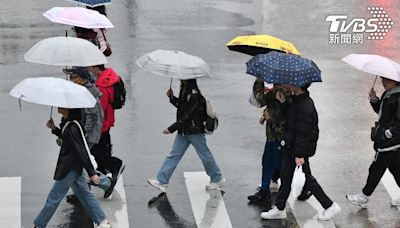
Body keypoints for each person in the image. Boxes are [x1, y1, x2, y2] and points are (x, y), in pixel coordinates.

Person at [260, 83, 341, 221]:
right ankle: (280, 208)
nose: (288, 85)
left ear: (298, 86)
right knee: (285, 177)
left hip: (297, 149)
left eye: (291, 83)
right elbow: (292, 118)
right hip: (291, 147)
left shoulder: (305, 105)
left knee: (307, 179)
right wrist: (284, 102)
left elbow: (304, 132)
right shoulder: (298, 100)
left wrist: (300, 154)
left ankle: (330, 205)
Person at [32, 108, 111, 228]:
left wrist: (91, 172)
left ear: (68, 109)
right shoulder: (70, 124)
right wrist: (54, 129)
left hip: (69, 168)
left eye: (61, 105)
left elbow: (81, 151)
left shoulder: (72, 127)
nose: (58, 106)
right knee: (85, 195)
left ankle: (39, 224)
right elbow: (67, 138)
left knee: (54, 196)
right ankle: (102, 221)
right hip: (73, 166)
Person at [147, 79, 224, 192]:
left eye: (182, 77)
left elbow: (187, 114)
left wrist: (172, 128)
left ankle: (217, 177)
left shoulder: (195, 95)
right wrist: (172, 98)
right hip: (184, 130)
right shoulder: (185, 90)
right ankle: (162, 181)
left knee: (204, 155)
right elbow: (181, 107)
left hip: (194, 131)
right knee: (173, 155)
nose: (180, 79)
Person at [346, 77, 400, 208]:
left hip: (389, 143)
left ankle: (365, 196)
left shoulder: (398, 98)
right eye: (383, 78)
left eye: (387, 79)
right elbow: (382, 112)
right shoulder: (389, 93)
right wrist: (375, 100)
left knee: (376, 168)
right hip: (391, 142)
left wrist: (388, 133)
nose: (384, 81)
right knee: (396, 169)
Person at [64, 67, 115, 197]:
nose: (71, 80)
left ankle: (106, 183)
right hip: (85, 133)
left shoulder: (87, 92)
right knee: (79, 164)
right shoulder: (82, 90)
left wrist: (83, 132)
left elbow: (92, 115)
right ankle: (84, 191)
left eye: (74, 77)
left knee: (81, 164)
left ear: (82, 79)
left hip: (88, 134)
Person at [247, 78, 290, 205]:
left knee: (280, 164)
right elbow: (262, 101)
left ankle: (280, 195)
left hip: (280, 135)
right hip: (272, 134)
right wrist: (265, 114)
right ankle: (264, 190)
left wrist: (259, 81)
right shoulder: (276, 88)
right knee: (268, 161)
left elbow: (286, 110)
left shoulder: (286, 90)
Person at [87, 64, 125, 198]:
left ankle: (115, 165)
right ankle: (104, 174)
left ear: (97, 68)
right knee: (101, 149)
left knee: (95, 152)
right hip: (107, 121)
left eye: (91, 68)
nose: (90, 71)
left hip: (101, 123)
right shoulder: (109, 76)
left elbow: (99, 109)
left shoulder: (102, 84)